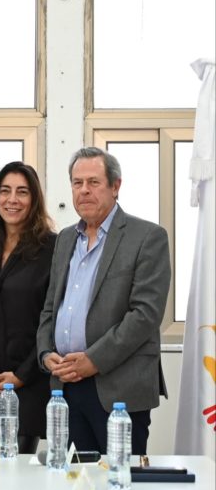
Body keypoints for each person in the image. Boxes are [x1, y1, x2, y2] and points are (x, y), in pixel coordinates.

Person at [37, 147, 171, 455]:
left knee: (119, 481)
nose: (84, 190)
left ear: (115, 186)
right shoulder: (65, 239)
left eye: (93, 182)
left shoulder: (147, 237)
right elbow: (50, 308)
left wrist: (93, 360)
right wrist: (45, 354)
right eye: (77, 183)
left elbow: (145, 315)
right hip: (65, 387)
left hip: (118, 389)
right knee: (71, 482)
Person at [0, 161, 56, 453]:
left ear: (34, 200)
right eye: (5, 191)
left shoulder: (52, 249)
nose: (12, 199)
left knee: (18, 470)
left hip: (27, 385)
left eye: (22, 192)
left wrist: (22, 375)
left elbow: (54, 319)